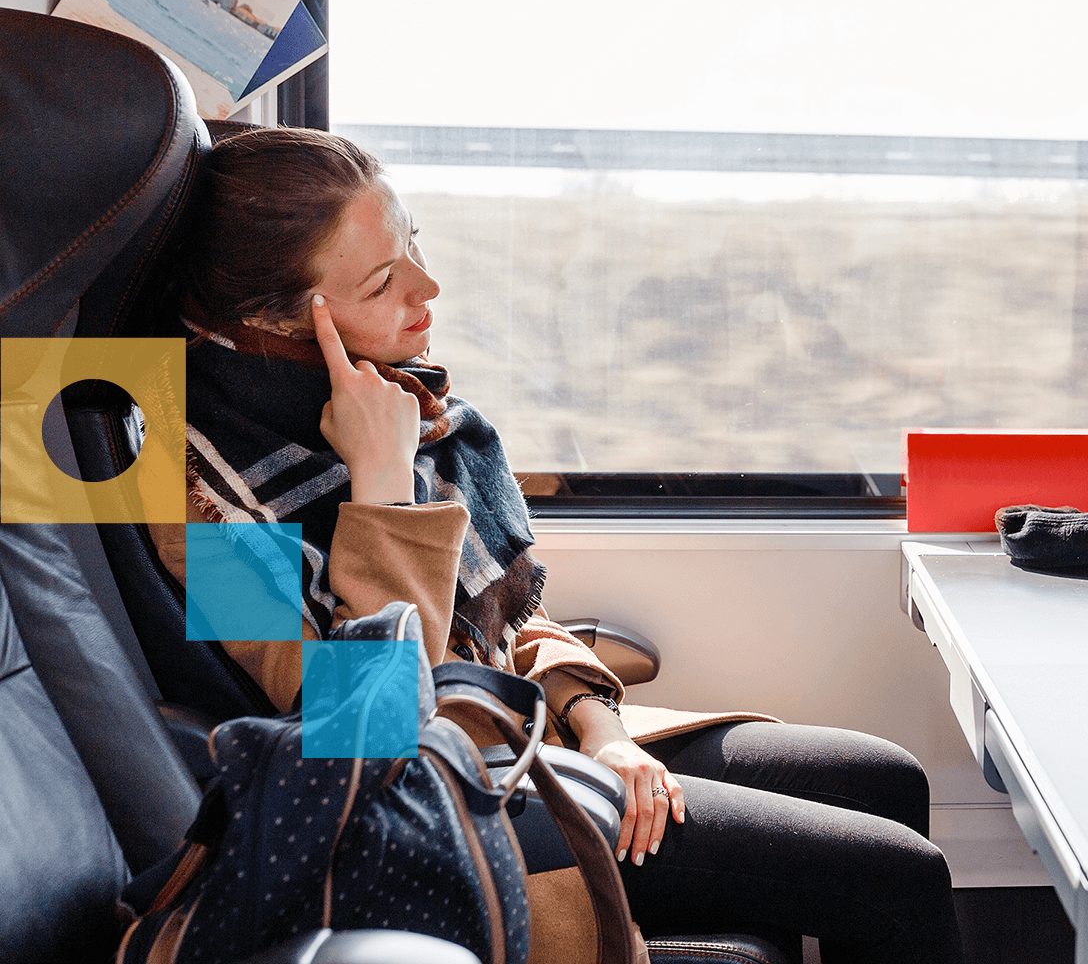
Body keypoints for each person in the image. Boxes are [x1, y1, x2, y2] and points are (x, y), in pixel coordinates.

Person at [153, 126, 964, 963]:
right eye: (385, 281)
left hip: (531, 728)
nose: (430, 288)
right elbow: (368, 732)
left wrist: (599, 724)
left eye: (415, 246)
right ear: (274, 324)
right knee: (898, 877)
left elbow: (509, 623)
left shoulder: (408, 415)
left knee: (890, 777)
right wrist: (382, 490)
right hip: (448, 800)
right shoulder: (204, 510)